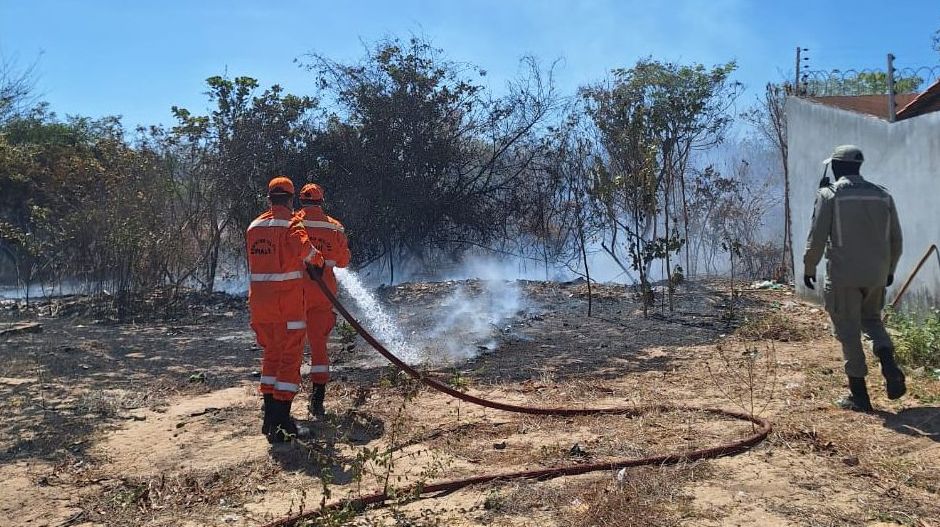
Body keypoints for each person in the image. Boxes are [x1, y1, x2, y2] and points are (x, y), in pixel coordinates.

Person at [803, 145, 905, 412]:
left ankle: (859, 396)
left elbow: (816, 237)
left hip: (843, 276)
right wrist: (890, 269)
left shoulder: (830, 195)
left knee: (848, 332)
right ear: (859, 167)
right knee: (871, 321)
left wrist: (809, 267)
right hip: (876, 275)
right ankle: (887, 359)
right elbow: (896, 239)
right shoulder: (883, 195)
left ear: (836, 167)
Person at [246, 176, 325, 442]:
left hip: (260, 307)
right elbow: (307, 252)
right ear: (290, 200)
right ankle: (282, 427)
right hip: (287, 308)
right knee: (289, 363)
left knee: (271, 357)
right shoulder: (292, 224)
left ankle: (270, 421)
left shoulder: (253, 227)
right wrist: (319, 261)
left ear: (269, 198)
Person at [295, 183, 351, 417]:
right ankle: (317, 398)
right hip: (323, 291)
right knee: (318, 343)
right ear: (321, 201)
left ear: (301, 201)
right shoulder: (335, 227)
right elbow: (343, 262)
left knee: (292, 344)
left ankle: (280, 399)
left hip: (295, 291)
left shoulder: (293, 223)